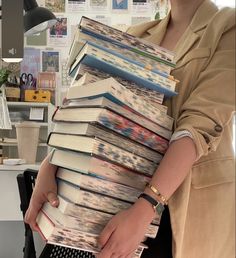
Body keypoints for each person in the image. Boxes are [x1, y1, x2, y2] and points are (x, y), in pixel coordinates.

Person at [25, 0, 235, 258]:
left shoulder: (227, 26)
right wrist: (51, 163)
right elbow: (96, 112)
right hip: (119, 199)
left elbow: (198, 126)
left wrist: (146, 207)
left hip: (186, 211)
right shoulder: (137, 35)